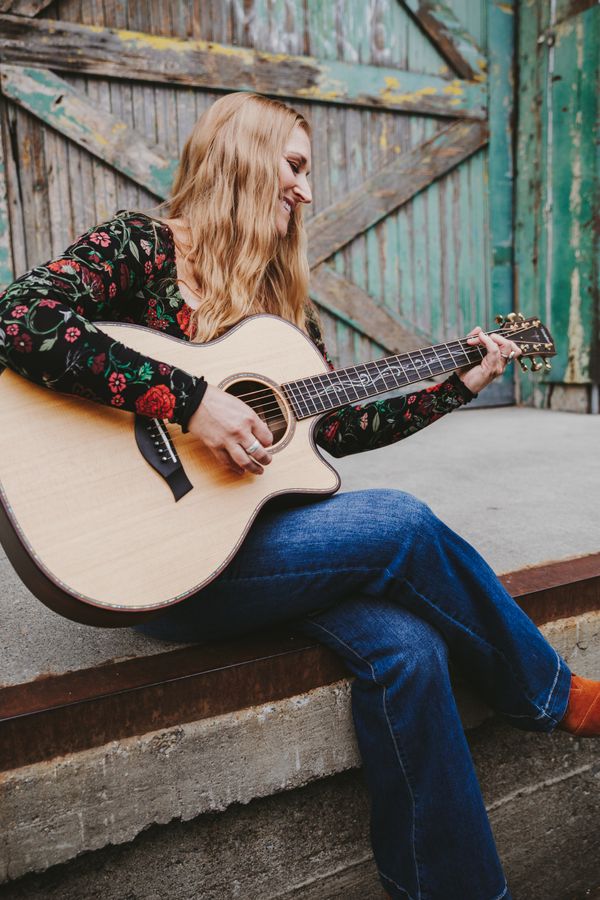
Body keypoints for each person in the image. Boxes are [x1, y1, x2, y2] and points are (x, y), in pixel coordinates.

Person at [0, 91, 598, 900]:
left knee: (410, 652)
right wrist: (189, 401)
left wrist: (453, 386)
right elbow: (21, 320)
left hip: (266, 548)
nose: (306, 192)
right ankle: (555, 696)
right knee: (400, 521)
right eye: (294, 166)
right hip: (164, 565)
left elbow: (335, 430)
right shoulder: (141, 247)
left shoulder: (277, 308)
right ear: (242, 156)